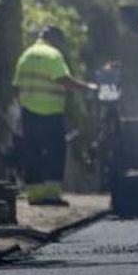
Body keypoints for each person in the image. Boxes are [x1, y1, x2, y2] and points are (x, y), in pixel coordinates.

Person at [12, 25, 96, 205]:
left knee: (32, 152)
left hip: (29, 112)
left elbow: (16, 87)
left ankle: (35, 194)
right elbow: (63, 79)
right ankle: (51, 194)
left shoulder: (26, 56)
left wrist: (25, 105)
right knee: (55, 152)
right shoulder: (52, 55)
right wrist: (87, 87)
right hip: (50, 112)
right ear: (55, 39)